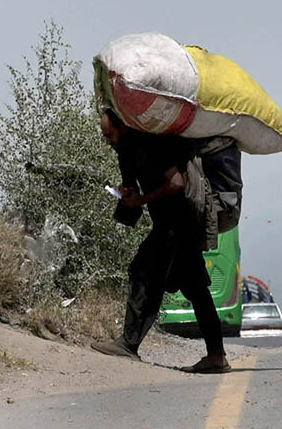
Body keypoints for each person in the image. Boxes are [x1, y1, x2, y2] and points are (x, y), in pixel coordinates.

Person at [91, 109, 231, 373]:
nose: (108, 141)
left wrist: (140, 200)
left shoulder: (149, 144)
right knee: (195, 288)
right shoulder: (128, 151)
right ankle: (216, 356)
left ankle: (129, 344)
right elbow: (136, 186)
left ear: (124, 126)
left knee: (143, 273)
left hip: (177, 224)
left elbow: (177, 183)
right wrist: (128, 194)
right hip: (175, 225)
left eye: (110, 135)